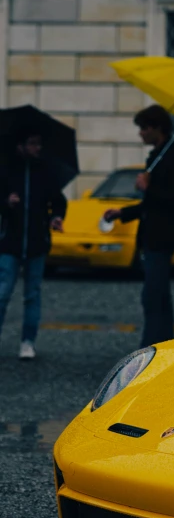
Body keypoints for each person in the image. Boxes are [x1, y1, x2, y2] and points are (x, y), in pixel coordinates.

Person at [103, 105, 174, 347]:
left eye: (144, 128)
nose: (140, 134)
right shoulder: (158, 156)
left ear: (157, 128)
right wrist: (122, 213)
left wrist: (149, 187)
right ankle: (162, 344)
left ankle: (151, 346)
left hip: (162, 236)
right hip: (154, 234)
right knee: (157, 295)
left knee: (153, 296)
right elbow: (151, 204)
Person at [0, 129, 66, 359]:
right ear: (20, 146)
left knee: (32, 294)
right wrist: (6, 202)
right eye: (33, 143)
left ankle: (28, 341)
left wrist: (57, 217)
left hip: (38, 243)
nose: (37, 148)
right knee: (2, 293)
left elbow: (59, 201)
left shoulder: (46, 171)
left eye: (39, 143)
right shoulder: (6, 169)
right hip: (10, 242)